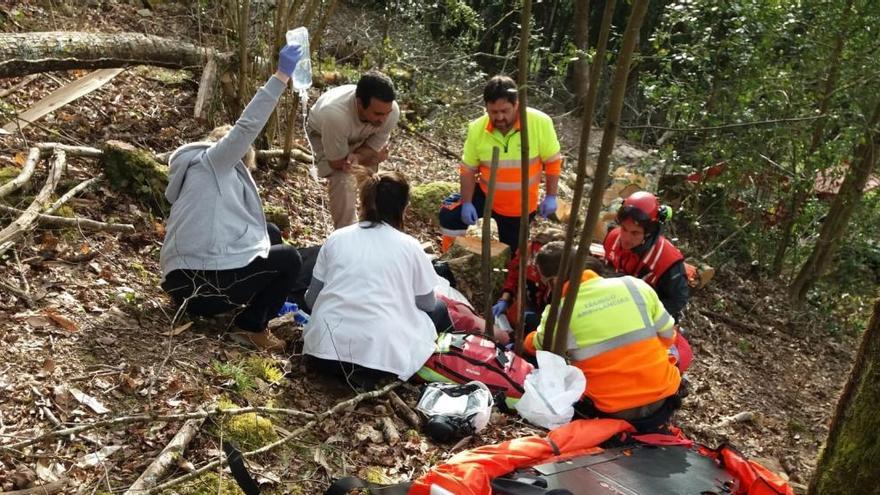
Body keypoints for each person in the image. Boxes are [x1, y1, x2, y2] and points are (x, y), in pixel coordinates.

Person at [160, 44, 304, 352]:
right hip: (202, 288)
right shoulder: (215, 162)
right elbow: (247, 126)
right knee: (290, 258)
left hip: (181, 284)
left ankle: (240, 310)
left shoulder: (194, 171)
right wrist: (281, 76)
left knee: (270, 233)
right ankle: (251, 327)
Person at [302, 169, 442, 389]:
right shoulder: (411, 247)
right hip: (378, 360)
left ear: (363, 203)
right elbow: (428, 303)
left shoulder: (337, 238)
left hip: (321, 352)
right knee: (440, 309)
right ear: (404, 207)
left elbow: (311, 300)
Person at [523, 243, 683, 432]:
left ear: (552, 281)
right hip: (663, 401)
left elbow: (537, 347)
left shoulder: (559, 313)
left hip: (612, 410)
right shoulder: (635, 286)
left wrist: (529, 337)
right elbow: (668, 336)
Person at [438, 75, 563, 252]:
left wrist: (551, 196)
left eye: (505, 111)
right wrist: (466, 202)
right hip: (485, 193)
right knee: (449, 216)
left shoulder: (539, 123)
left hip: (519, 206)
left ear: (516, 105)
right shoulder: (477, 128)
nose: (499, 117)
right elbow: (467, 169)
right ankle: (450, 258)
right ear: (486, 108)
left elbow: (553, 161)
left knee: (513, 254)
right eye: (493, 112)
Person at [307, 71, 401, 229]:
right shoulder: (335, 115)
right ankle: (346, 233)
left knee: (374, 179)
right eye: (378, 113)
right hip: (324, 133)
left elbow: (372, 148)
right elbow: (338, 162)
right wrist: (372, 157)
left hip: (359, 137)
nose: (383, 119)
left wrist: (362, 156)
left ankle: (374, 227)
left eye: (387, 113)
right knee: (342, 178)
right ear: (359, 103)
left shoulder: (391, 112)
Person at [603, 191, 690, 323]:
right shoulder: (613, 238)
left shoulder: (668, 260)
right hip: (617, 300)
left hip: (649, 312)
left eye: (635, 233)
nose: (626, 238)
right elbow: (607, 268)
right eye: (624, 229)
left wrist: (641, 313)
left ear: (649, 233)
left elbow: (677, 300)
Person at [491, 225, 565, 333]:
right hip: (528, 303)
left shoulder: (563, 283)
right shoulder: (528, 250)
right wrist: (505, 299)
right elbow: (514, 274)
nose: (534, 262)